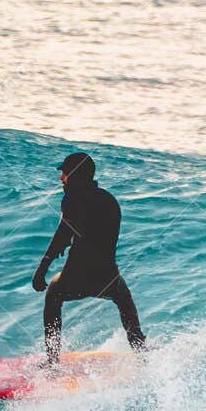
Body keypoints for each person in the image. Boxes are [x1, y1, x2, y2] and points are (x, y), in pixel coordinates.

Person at [32, 152, 146, 363]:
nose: (61, 178)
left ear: (74, 176)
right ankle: (141, 352)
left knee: (54, 293)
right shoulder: (110, 200)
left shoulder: (72, 198)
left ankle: (52, 362)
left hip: (77, 277)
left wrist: (42, 268)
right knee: (124, 300)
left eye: (64, 173)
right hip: (108, 276)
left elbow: (63, 234)